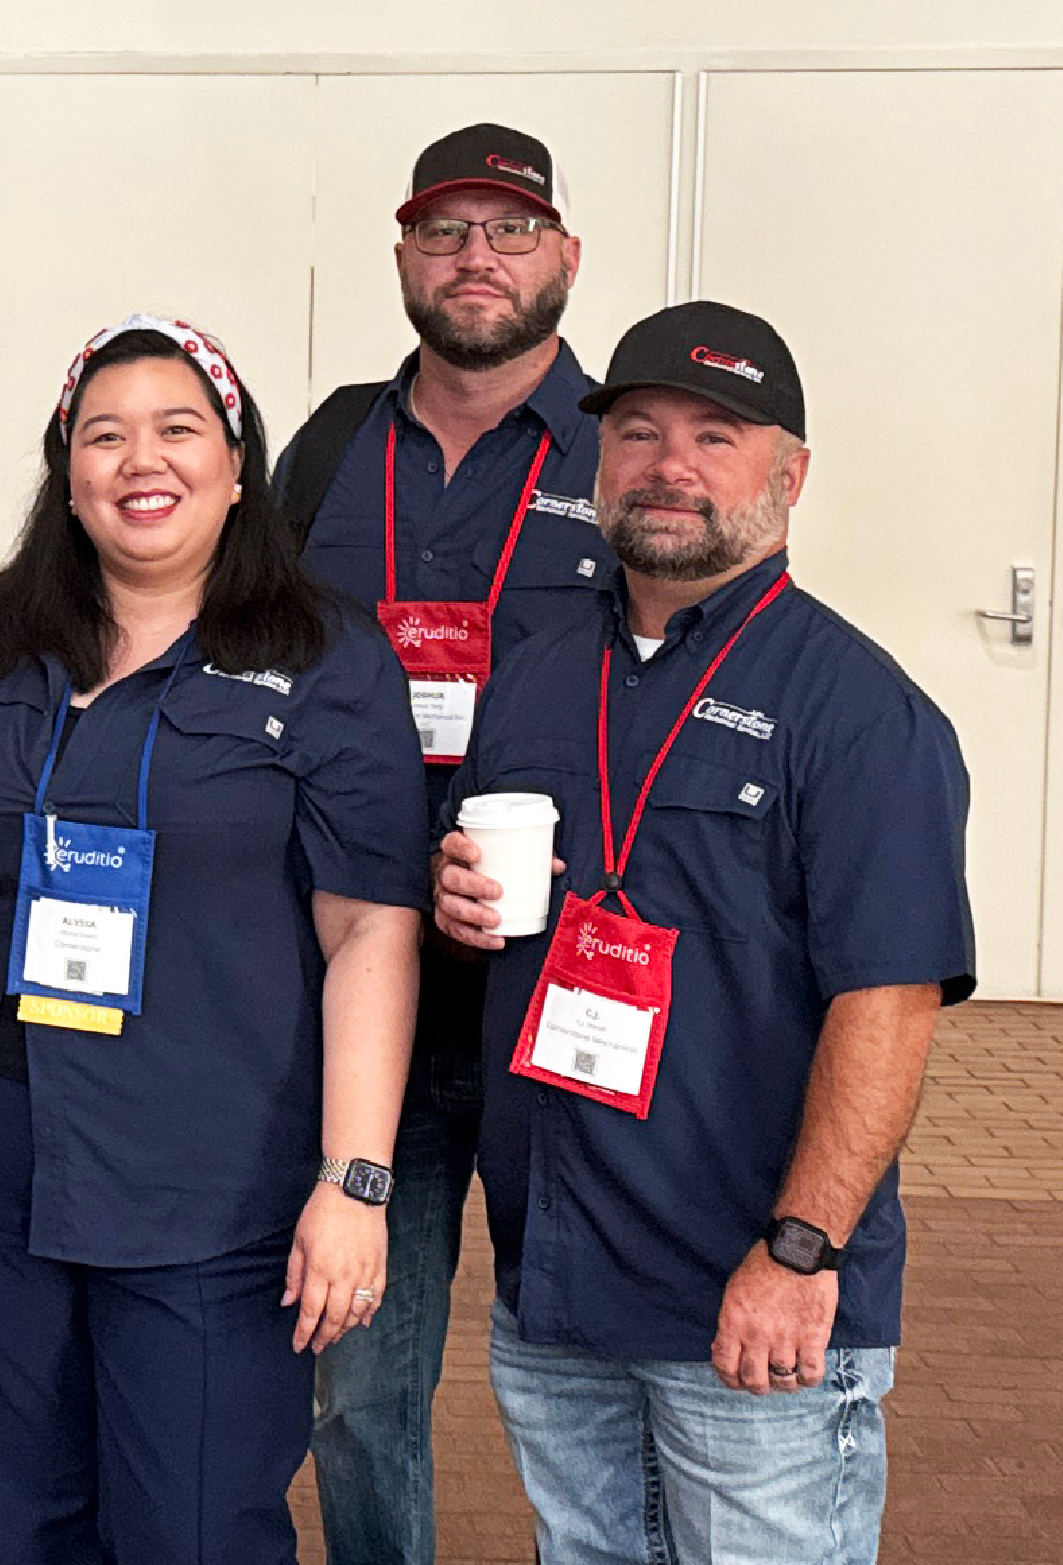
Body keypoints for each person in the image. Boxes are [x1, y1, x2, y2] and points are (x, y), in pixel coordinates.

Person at [0, 315, 425, 1564]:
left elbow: (372, 929)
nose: (138, 461)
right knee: (19, 1521)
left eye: (177, 430)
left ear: (236, 466)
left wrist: (355, 1181)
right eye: (102, 436)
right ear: (67, 474)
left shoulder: (321, 657)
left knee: (195, 1528)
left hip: (210, 1183)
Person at [434, 300, 973, 1565]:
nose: (668, 466)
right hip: (557, 1287)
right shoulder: (536, 666)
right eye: (636, 432)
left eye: (713, 437)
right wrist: (458, 903)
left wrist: (799, 1253)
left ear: (787, 476)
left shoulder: (860, 714)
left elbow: (886, 1005)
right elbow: (483, 897)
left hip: (750, 1298)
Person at [278, 123, 612, 1565]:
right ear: (406, 257)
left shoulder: (631, 447)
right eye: (447, 232)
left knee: (591, 1374)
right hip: (371, 986)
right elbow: (258, 662)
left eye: (511, 229)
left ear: (565, 257)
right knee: (359, 1381)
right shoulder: (334, 445)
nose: (479, 258)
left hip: (572, 989)